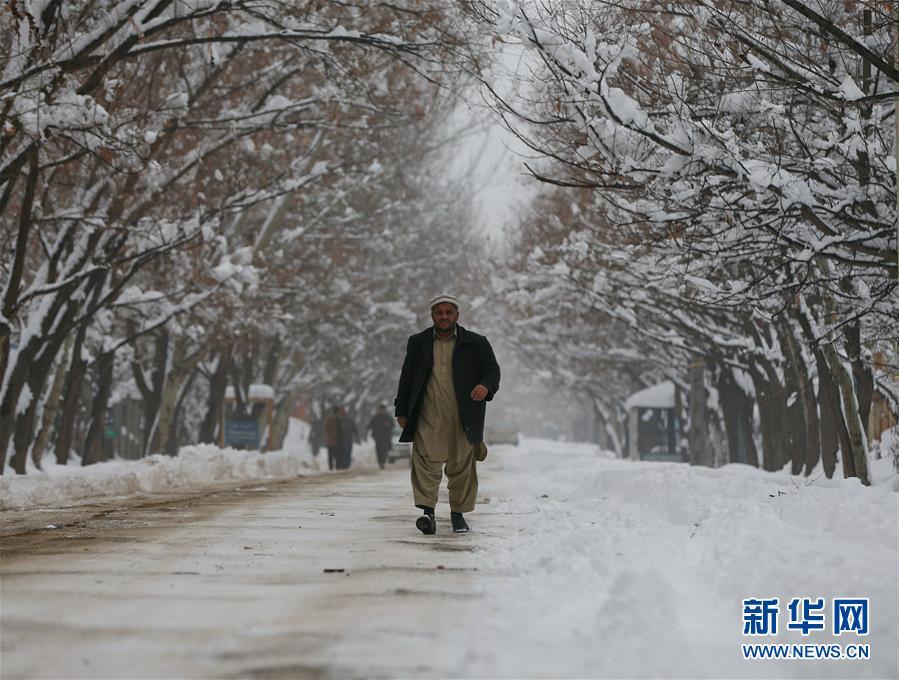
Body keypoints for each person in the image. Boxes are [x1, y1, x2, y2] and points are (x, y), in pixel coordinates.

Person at [394, 294, 500, 534]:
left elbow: (493, 371)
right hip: (427, 416)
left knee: (461, 467)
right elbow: (407, 378)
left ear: (457, 315)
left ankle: (458, 516)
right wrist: (401, 410)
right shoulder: (418, 342)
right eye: (439, 312)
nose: (443, 317)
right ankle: (428, 515)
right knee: (425, 465)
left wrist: (485, 386)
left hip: (463, 418)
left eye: (448, 312)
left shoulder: (477, 343)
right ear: (432, 315)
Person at [368, 404, 394, 469]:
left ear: (384, 410)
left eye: (382, 409)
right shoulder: (375, 418)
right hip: (377, 437)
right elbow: (370, 424)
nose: (381, 411)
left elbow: (393, 425)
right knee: (378, 450)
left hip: (386, 437)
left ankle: (383, 461)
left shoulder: (388, 417)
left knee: (385, 450)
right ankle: (380, 462)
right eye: (380, 409)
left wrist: (389, 425)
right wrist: (368, 427)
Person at [324, 406, 340, 470]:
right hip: (337, 442)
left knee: (330, 456)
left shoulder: (329, 419)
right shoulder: (339, 420)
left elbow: (326, 429)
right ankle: (337, 467)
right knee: (337, 455)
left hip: (330, 441)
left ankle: (330, 468)